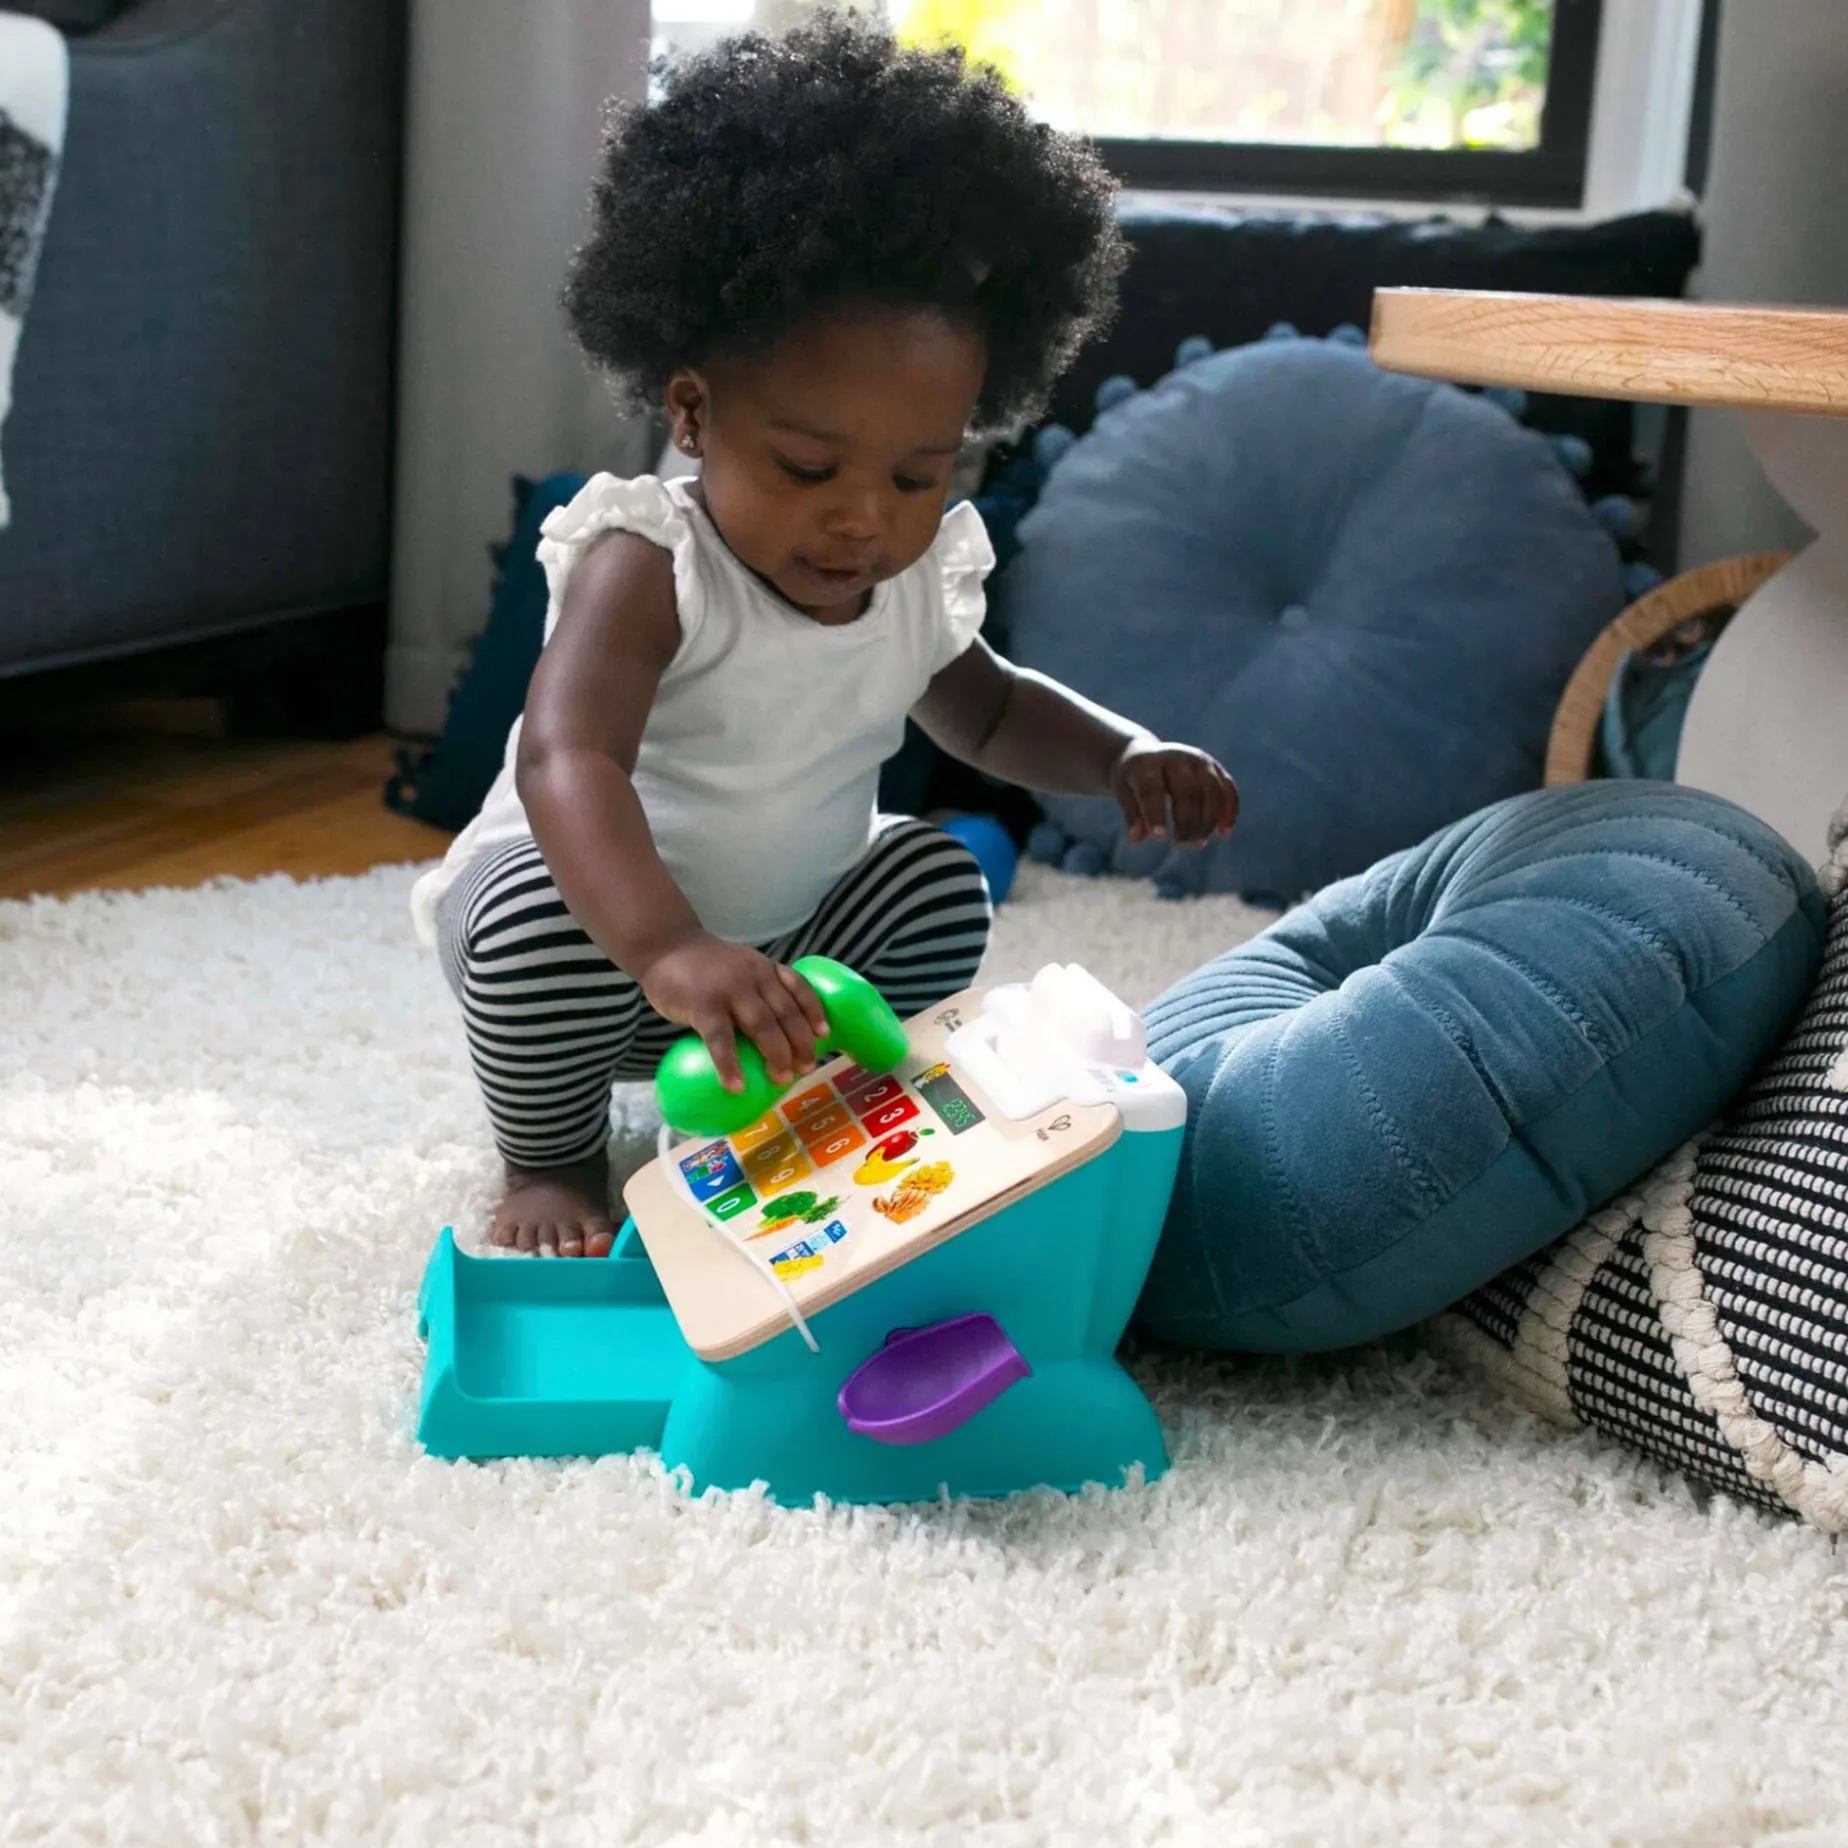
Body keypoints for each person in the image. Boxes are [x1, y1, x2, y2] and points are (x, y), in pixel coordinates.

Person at [412, 13, 1239, 1258]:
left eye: (917, 474)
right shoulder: (651, 562)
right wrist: (668, 945)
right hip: (606, 941)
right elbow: (565, 758)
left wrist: (1122, 753)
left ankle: (819, 1101)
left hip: (781, 965)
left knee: (933, 880)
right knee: (529, 916)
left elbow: (992, 711)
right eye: (808, 467)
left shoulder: (908, 578)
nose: (864, 518)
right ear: (694, 413)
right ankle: (551, 1153)